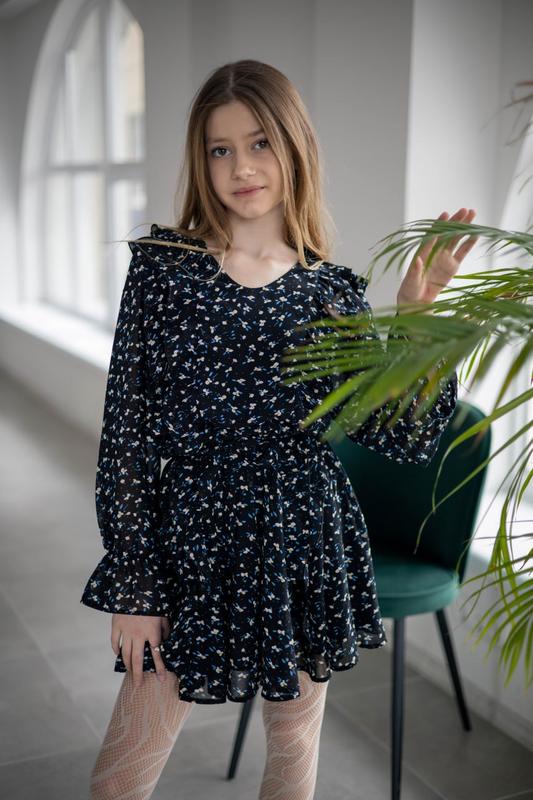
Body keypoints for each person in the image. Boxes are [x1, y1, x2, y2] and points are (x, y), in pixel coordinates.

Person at [80, 58, 476, 800]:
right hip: (190, 533)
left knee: (293, 743)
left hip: (303, 534)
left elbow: (401, 436)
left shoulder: (331, 292)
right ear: (201, 160)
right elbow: (126, 433)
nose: (241, 167)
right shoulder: (163, 270)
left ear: (294, 147)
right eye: (220, 149)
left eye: (259, 142)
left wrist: (417, 318)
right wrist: (135, 584)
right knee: (124, 769)